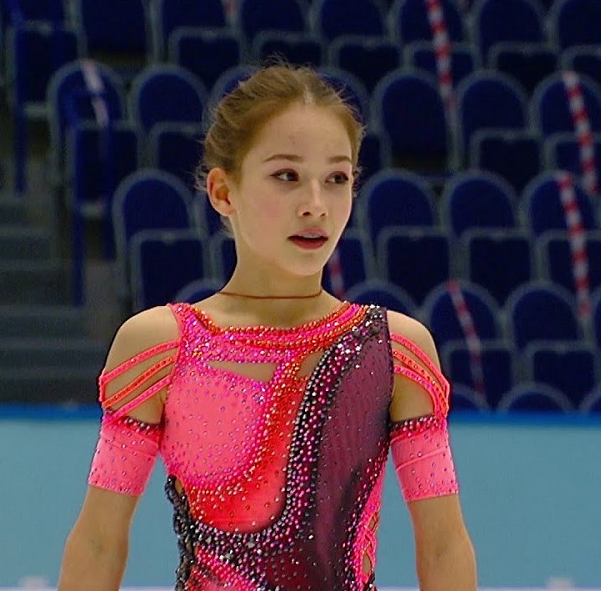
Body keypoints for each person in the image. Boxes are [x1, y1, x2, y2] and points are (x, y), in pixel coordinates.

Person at [59, 64, 476, 590]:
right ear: (223, 192)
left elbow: (443, 545)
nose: (315, 206)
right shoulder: (161, 346)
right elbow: (100, 539)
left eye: (337, 179)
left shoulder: (394, 349)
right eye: (287, 176)